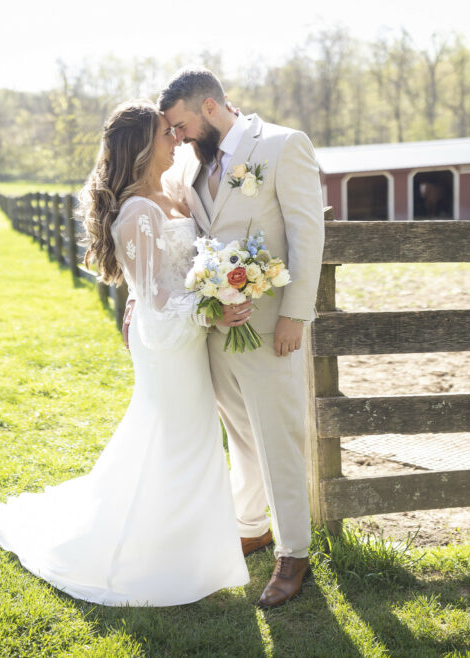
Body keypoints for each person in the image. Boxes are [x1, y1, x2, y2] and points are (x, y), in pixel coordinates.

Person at [0, 100, 250, 606]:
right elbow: (155, 300)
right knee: (179, 438)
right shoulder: (136, 213)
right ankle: (153, 556)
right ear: (142, 146)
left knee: (191, 438)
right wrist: (212, 310)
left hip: (187, 336)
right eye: (166, 134)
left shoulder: (172, 189)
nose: (177, 139)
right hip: (169, 342)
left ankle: (192, 550)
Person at [158, 67, 325, 608]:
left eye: (180, 124)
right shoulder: (188, 164)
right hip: (218, 332)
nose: (177, 137)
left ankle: (294, 553)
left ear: (209, 107)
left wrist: (295, 317)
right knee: (242, 438)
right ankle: (253, 526)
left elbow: (306, 233)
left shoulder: (281, 146)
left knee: (278, 438)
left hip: (273, 327)